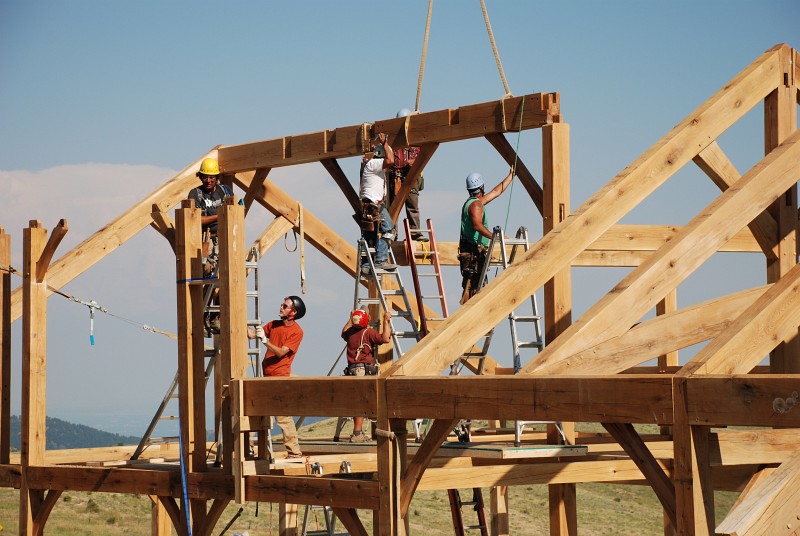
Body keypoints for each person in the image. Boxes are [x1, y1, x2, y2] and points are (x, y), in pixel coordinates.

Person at [248, 295, 306, 457]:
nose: (281, 307)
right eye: (282, 304)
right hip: (266, 376)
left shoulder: (296, 331)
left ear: (293, 312)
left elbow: (281, 352)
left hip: (280, 377)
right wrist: (241, 321)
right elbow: (251, 335)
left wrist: (264, 340)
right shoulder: (274, 324)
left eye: (285, 306)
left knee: (283, 417)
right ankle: (248, 447)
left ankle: (294, 452)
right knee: (256, 412)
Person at [458, 166, 516, 304]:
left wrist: (510, 176)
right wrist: (495, 237)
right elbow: (477, 225)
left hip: (472, 251)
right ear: (481, 187)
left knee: (474, 286)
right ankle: (466, 314)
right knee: (471, 288)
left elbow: (496, 192)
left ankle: (468, 313)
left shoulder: (474, 203)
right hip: (473, 253)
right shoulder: (476, 206)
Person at [340, 309, 391, 443]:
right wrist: (386, 321)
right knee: (362, 401)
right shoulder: (368, 333)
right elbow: (385, 338)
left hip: (352, 369)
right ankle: (357, 433)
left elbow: (343, 332)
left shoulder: (351, 333)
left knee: (357, 401)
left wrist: (350, 318)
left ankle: (358, 431)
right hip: (362, 370)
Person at [187, 157, 234, 277]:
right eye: (205, 177)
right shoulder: (196, 194)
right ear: (200, 177)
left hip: (226, 238)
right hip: (206, 240)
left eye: (211, 177)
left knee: (230, 270)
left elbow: (234, 213)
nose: (208, 180)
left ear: (217, 177)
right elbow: (196, 220)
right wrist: (220, 215)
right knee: (206, 270)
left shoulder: (225, 191)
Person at [359, 132, 396, 273]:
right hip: (374, 206)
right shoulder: (374, 163)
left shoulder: (373, 167)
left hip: (370, 206)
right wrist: (385, 143)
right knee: (389, 230)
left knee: (370, 236)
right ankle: (381, 261)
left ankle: (366, 265)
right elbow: (390, 160)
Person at [388, 108, 426, 241]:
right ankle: (392, 234)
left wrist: (415, 162)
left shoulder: (417, 136)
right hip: (396, 176)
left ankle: (415, 233)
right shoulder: (393, 138)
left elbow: (424, 154)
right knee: (393, 208)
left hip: (411, 176)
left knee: (412, 206)